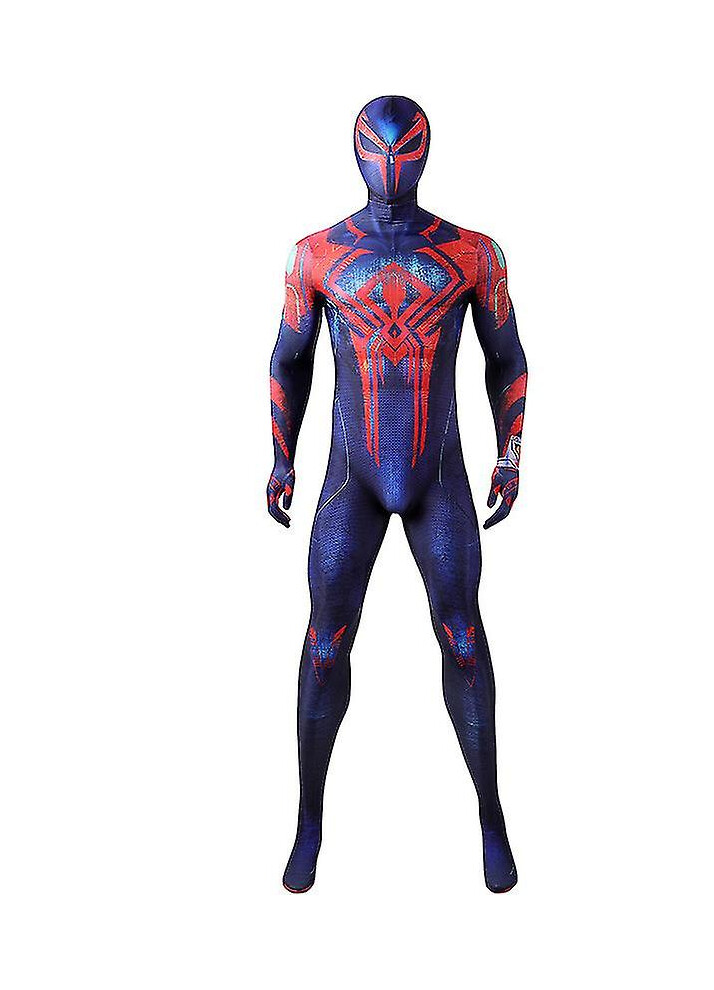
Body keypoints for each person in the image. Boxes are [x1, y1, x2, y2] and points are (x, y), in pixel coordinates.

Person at [268, 95, 527, 892]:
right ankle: (309, 821)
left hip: (435, 478)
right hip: (352, 479)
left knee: (463, 638)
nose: (389, 165)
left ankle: (491, 816)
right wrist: (280, 458)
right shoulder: (316, 255)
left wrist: (511, 452)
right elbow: (287, 360)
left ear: (425, 152)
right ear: (355, 153)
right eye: (377, 150)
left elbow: (508, 359)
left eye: (403, 149)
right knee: (325, 644)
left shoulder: (474, 254)